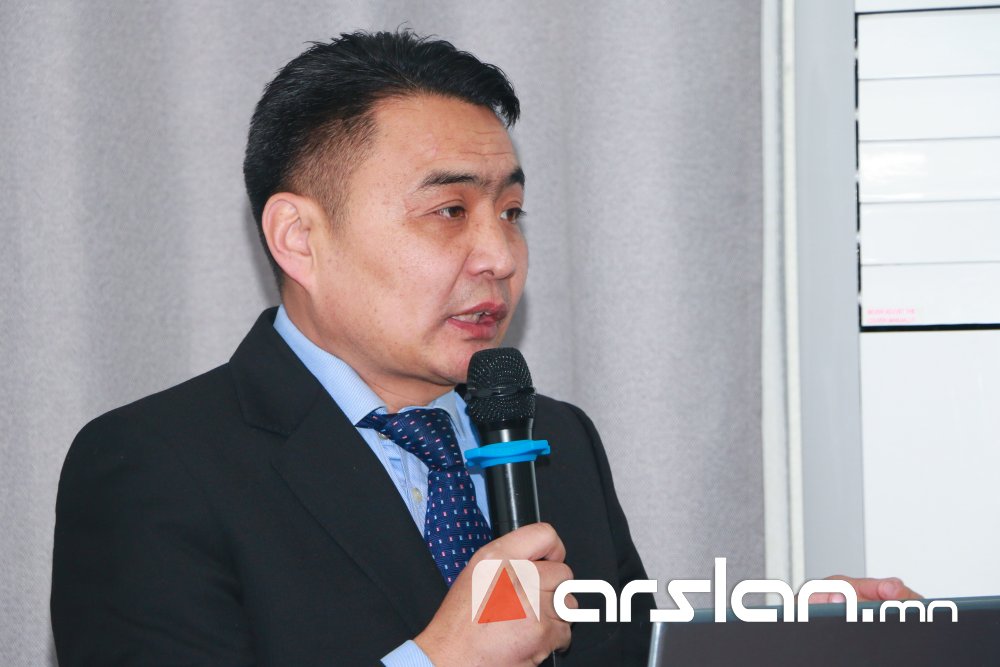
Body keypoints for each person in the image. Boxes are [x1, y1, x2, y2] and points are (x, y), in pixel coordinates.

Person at [51, 29, 917, 667]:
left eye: (510, 211)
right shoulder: (153, 466)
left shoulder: (554, 438)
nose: (500, 255)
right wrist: (441, 660)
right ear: (299, 238)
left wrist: (770, 647)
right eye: (449, 211)